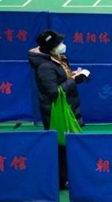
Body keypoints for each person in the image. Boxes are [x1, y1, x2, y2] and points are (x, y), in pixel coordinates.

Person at [28, 29, 88, 190]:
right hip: (56, 112)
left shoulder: (58, 59)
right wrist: (73, 80)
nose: (63, 45)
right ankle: (62, 181)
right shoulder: (45, 67)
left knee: (68, 145)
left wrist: (76, 76)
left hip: (68, 107)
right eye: (59, 43)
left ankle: (69, 177)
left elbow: (64, 80)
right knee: (60, 147)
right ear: (51, 48)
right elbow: (53, 92)